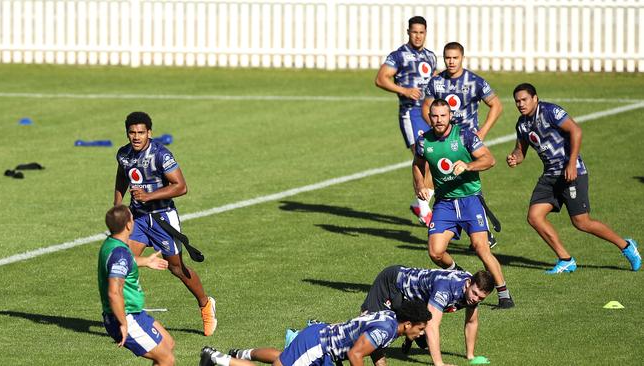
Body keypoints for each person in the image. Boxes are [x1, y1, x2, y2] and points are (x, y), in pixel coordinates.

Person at [506, 83, 641, 273]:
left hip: (571, 172)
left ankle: (626, 246)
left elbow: (576, 131)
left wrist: (571, 163)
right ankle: (565, 259)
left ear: (535, 98)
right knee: (534, 217)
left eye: (524, 100)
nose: (520, 104)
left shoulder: (551, 111)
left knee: (581, 222)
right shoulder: (522, 124)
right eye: (517, 101)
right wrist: (514, 158)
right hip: (550, 176)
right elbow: (520, 151)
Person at [114, 111, 217, 336]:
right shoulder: (123, 154)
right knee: (125, 263)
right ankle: (127, 319)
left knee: (176, 268)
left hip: (162, 218)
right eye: (132, 133)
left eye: (141, 132)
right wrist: (118, 205)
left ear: (149, 133)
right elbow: (122, 176)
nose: (136, 137)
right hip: (138, 219)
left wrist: (148, 196)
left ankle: (205, 304)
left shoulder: (161, 154)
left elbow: (181, 186)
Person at [413, 99, 514, 309]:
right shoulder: (424, 142)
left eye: (443, 115)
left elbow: (489, 159)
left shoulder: (464, 135)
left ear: (450, 116)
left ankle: (504, 294)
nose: (439, 120)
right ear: (429, 117)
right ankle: (457, 273)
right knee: (435, 252)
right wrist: (420, 184)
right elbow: (417, 163)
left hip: (470, 201)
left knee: (481, 248)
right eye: (435, 116)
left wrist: (468, 165)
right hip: (445, 204)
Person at [422, 41, 503, 247]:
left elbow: (496, 105)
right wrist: (434, 128)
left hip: (465, 142)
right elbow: (426, 107)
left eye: (455, 58)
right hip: (443, 138)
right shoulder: (436, 82)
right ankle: (444, 221)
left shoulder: (474, 81)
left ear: (462, 58)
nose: (451, 61)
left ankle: (479, 229)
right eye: (447, 57)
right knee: (443, 177)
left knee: (468, 182)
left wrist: (483, 131)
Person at [198, 300, 431, 366]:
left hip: (322, 343)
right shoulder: (386, 329)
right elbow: (356, 355)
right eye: (421, 328)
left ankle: (242, 353)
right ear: (408, 323)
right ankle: (219, 358)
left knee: (283, 358)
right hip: (319, 345)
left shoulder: (390, 319)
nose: (422, 334)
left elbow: (372, 345)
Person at [361, 265, 495, 366]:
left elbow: (471, 322)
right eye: (475, 293)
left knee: (424, 341)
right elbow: (432, 325)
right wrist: (439, 363)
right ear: (468, 284)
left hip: (413, 300)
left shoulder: (471, 293)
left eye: (481, 298)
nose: (476, 299)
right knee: (373, 329)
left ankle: (410, 334)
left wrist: (470, 356)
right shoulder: (446, 288)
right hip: (392, 282)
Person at [375, 15, 438, 226]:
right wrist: (403, 90)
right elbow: (380, 78)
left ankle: (420, 203)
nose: (418, 36)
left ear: (425, 33)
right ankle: (423, 209)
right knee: (422, 156)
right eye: (414, 32)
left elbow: (434, 79)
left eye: (421, 32)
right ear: (408, 32)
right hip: (410, 113)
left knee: (436, 158)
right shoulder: (398, 56)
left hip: (430, 112)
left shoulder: (430, 56)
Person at [98, 204, 175, 365]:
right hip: (125, 317)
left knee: (168, 344)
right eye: (132, 218)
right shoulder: (120, 254)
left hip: (134, 313)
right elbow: (114, 292)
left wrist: (146, 261)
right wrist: (124, 324)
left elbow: (124, 263)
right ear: (128, 225)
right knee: (166, 359)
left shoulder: (112, 243)